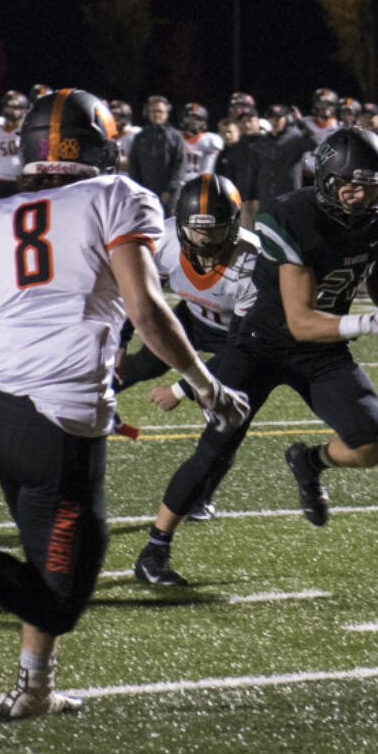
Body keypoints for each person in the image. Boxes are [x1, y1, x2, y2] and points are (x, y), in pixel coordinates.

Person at [0, 88, 249, 718]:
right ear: (99, 146)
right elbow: (146, 311)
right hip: (59, 426)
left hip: (1, 416)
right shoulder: (116, 197)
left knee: (42, 568)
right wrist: (206, 386)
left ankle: (34, 689)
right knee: (59, 599)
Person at [135, 127, 378, 585]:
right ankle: (155, 549)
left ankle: (309, 462)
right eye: (348, 185)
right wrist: (369, 322)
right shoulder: (292, 215)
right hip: (262, 344)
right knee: (217, 444)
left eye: (369, 187)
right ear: (324, 181)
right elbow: (299, 320)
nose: (357, 197)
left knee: (370, 447)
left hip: (324, 349)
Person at [115, 172, 260, 521]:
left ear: (234, 225)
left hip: (238, 338)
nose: (205, 240)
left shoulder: (252, 260)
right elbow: (137, 293)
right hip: (191, 321)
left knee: (227, 421)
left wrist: (182, 390)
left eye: (215, 230)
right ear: (179, 225)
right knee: (139, 364)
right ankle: (84, 402)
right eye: (197, 230)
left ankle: (201, 497)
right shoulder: (165, 239)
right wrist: (119, 340)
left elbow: (242, 347)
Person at [127, 94, 185, 214]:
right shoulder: (140, 136)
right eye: (152, 111)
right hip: (144, 191)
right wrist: (138, 189)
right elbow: (133, 165)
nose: (156, 114)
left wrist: (170, 190)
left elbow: (180, 165)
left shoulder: (175, 136)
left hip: (167, 194)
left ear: (166, 113)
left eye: (160, 111)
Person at [0, 90, 26, 200]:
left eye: (16, 108)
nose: (12, 111)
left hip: (19, 181)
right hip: (0, 180)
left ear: (23, 109)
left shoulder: (26, 130)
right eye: (9, 107)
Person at [178, 102, 223, 186]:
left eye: (197, 119)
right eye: (189, 118)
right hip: (178, 184)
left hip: (201, 185)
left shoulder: (210, 140)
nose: (193, 122)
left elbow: (208, 169)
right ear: (183, 119)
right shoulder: (176, 138)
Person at [107, 99, 139, 172]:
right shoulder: (107, 136)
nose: (114, 120)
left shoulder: (135, 134)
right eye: (112, 117)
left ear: (125, 117)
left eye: (117, 116)